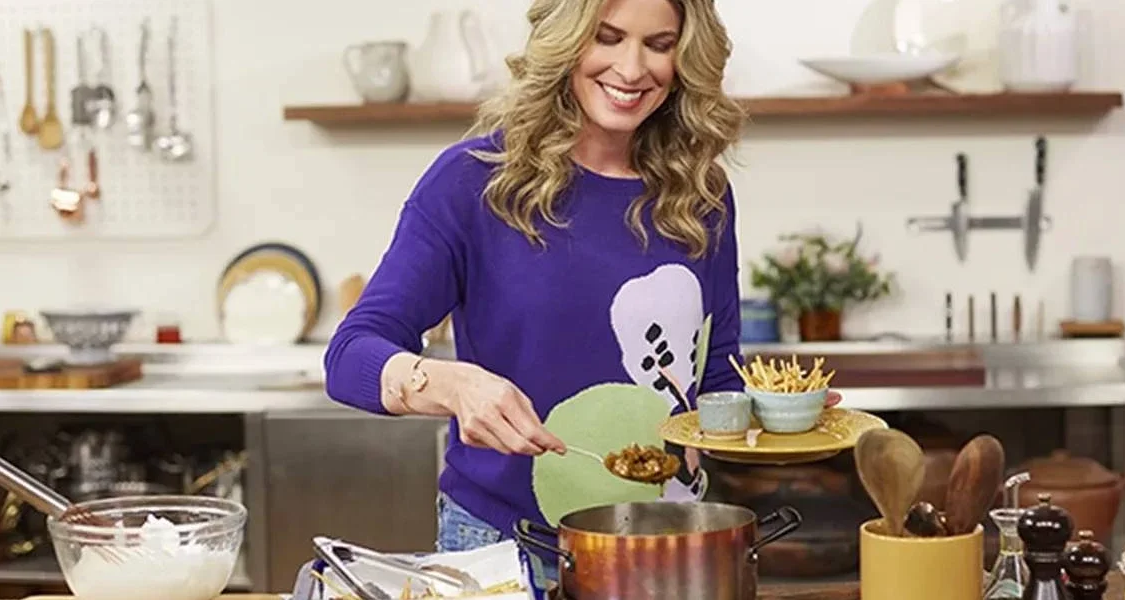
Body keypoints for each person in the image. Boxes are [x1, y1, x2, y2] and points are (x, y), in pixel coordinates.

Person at [323, 0, 841, 583]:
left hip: (669, 545)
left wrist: (777, 416)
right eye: (607, 37)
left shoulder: (700, 194)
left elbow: (713, 376)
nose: (632, 68)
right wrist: (451, 385)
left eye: (659, 45)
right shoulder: (473, 181)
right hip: (507, 548)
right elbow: (349, 355)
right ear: (565, 41)